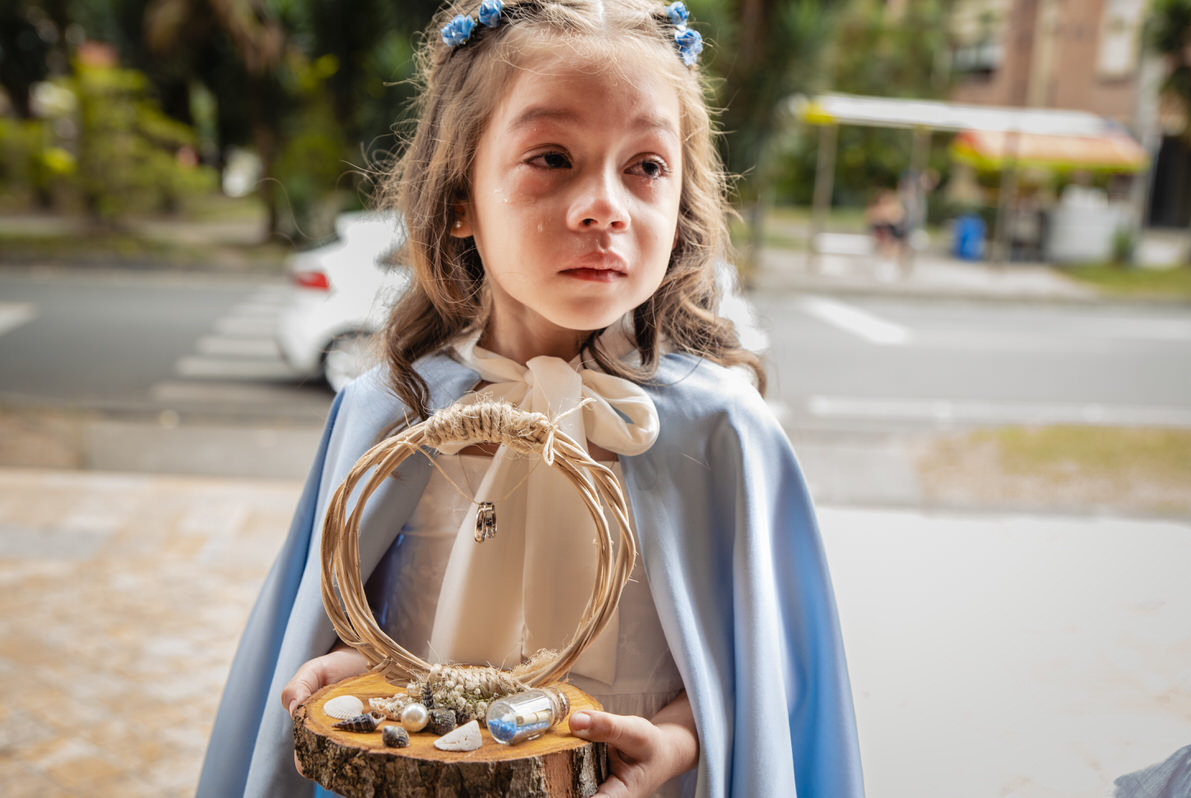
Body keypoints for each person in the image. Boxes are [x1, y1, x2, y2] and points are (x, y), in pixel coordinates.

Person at [197, 1, 863, 796]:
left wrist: (678, 742)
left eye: (646, 166)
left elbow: (764, 665)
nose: (604, 206)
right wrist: (351, 670)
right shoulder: (388, 412)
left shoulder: (721, 431)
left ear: (680, 207)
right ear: (458, 200)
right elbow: (369, 624)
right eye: (552, 157)